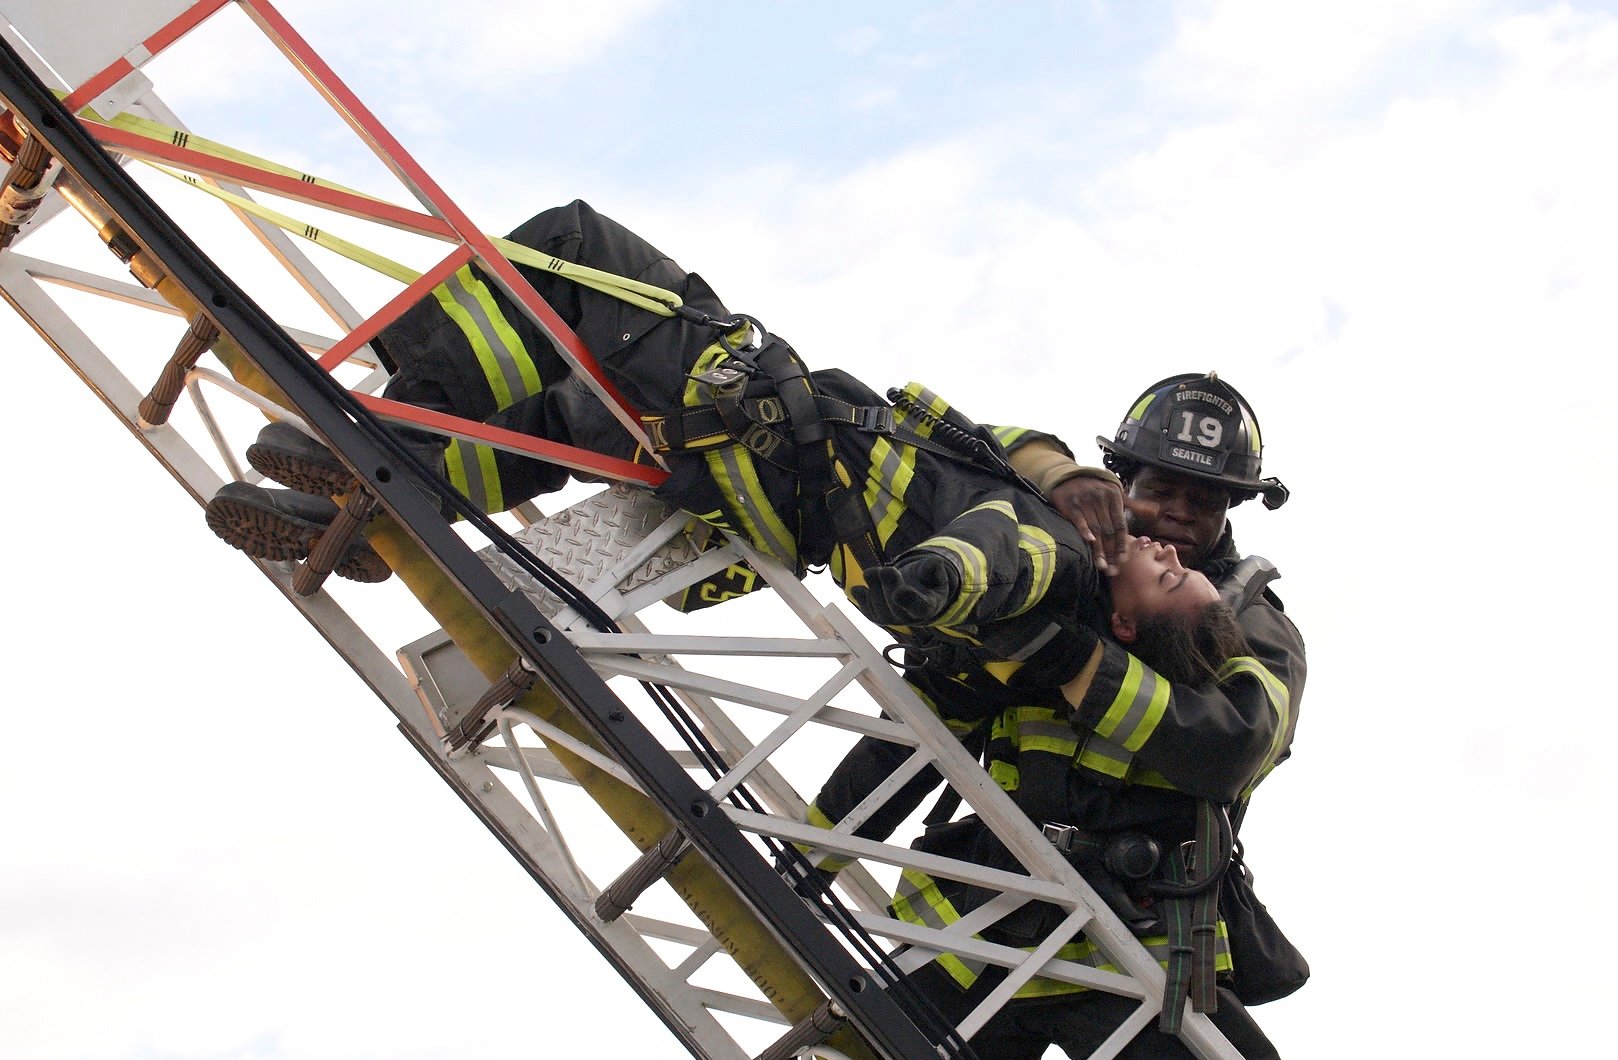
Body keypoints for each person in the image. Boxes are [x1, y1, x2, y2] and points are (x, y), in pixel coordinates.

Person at [205, 201, 1236, 706]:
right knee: (567, 418)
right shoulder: (1072, 521)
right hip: (755, 477)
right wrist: (1067, 475)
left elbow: (983, 558)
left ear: (1125, 615)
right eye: (1161, 502)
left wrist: (937, 579)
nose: (1173, 540)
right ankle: (367, 519)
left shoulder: (1052, 562)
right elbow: (993, 447)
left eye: (1179, 571)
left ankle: (370, 441)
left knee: (576, 256)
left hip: (765, 428)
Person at [802, 374, 1305, 1060]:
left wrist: (1071, 656)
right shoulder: (1039, 565)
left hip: (1137, 949)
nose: (1179, 518)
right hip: (974, 925)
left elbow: (1234, 748)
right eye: (1161, 490)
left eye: (1206, 500)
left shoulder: (1251, 622)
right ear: (1121, 481)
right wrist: (810, 859)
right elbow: (922, 735)